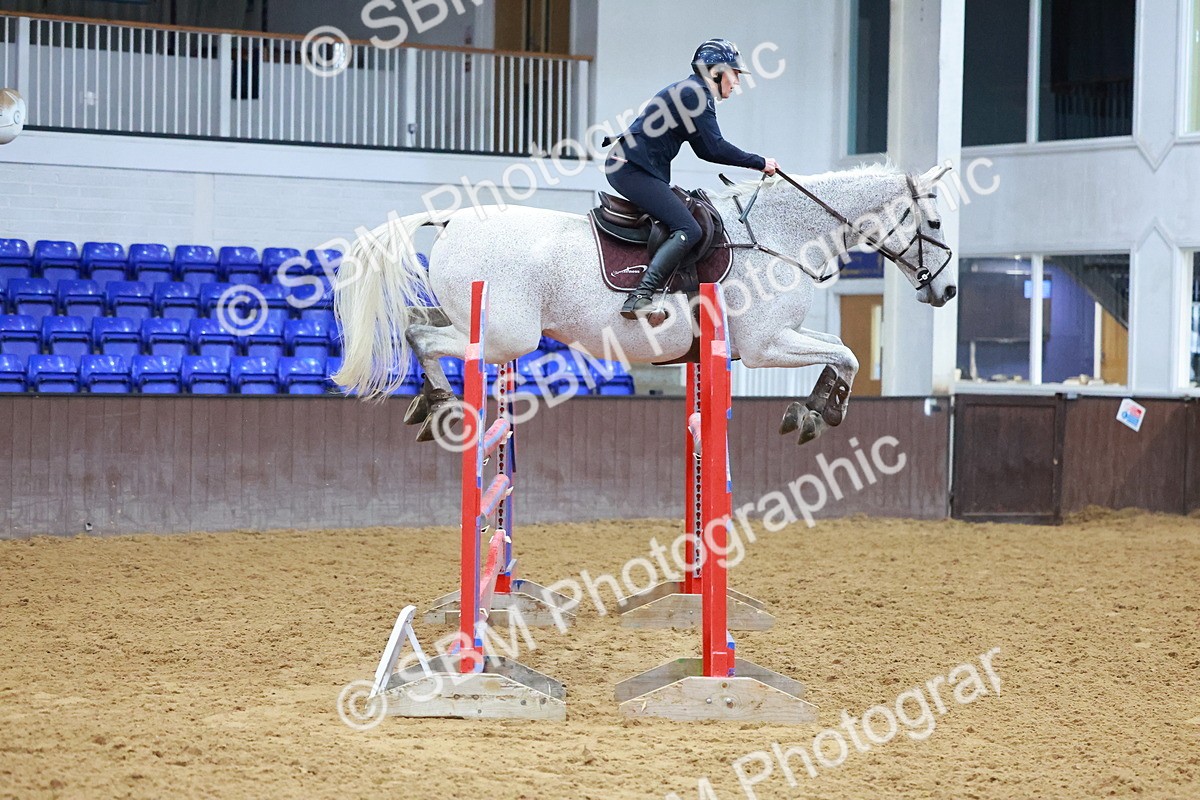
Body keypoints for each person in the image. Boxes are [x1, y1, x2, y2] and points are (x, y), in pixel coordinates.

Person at [605, 38, 778, 319]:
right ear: (717, 71)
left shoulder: (692, 92)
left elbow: (703, 150)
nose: (736, 83)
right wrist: (760, 162)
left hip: (634, 167)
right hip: (631, 169)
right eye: (734, 74)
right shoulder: (696, 94)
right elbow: (714, 148)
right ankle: (640, 295)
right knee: (689, 227)